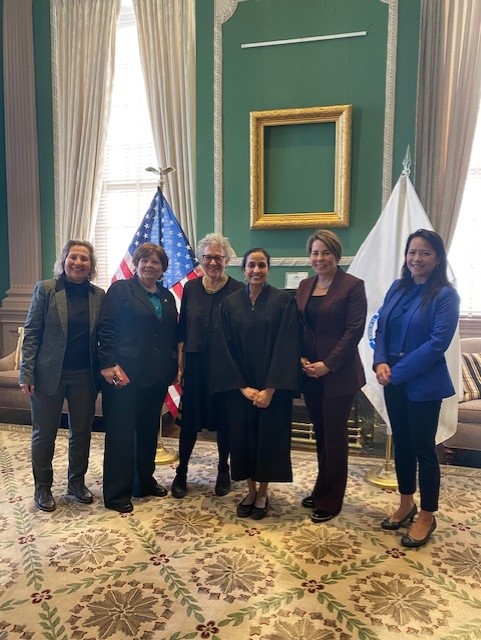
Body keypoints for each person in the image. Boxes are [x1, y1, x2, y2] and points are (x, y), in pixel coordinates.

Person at [374, 229, 459, 548]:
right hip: (391, 379)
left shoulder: (446, 295)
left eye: (424, 253)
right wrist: (380, 361)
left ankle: (427, 515)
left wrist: (395, 372)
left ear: (437, 258)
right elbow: (380, 327)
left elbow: (436, 344)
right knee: (403, 445)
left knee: (424, 450)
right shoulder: (397, 288)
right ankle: (406, 502)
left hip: (423, 385)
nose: (417, 258)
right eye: (412, 252)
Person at [211, 248, 300, 520]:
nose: (256, 270)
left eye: (261, 265)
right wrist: (242, 388)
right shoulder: (229, 304)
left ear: (268, 269)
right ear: (243, 269)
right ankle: (249, 490)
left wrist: (270, 389)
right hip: (241, 390)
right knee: (243, 442)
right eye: (251, 265)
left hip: (272, 390)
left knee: (268, 442)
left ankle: (263, 492)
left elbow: (287, 346)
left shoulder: (283, 302)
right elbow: (222, 348)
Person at [19, 240, 105, 512]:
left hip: (84, 376)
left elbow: (103, 336)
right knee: (44, 434)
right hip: (47, 375)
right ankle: (42, 487)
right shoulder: (46, 289)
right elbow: (32, 332)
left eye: (85, 259)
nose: (79, 263)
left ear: (91, 265)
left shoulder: (98, 295)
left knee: (81, 431)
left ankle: (76, 482)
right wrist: (27, 373)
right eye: (74, 257)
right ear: (64, 260)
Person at [98, 242, 178, 513]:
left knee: (147, 432)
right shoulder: (121, 290)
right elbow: (106, 328)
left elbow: (169, 336)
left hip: (155, 376)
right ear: (136, 263)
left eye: (155, 262)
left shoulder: (166, 296)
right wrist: (108, 364)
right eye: (144, 260)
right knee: (121, 434)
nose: (149, 265)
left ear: (162, 268)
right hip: (124, 375)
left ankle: (143, 481)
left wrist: (173, 366)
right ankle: (117, 493)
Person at [296, 230, 367, 523]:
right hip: (308, 373)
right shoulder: (304, 286)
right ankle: (322, 487)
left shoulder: (352, 286)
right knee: (321, 434)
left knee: (334, 436)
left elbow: (354, 332)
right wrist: (299, 357)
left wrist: (328, 364)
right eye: (315, 252)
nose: (319, 258)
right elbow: (298, 327)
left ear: (336, 255)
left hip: (338, 375)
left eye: (325, 252)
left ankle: (331, 499)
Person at [171, 233, 243, 498]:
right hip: (196, 365)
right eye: (208, 257)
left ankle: (223, 468)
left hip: (226, 367)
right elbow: (183, 327)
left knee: (225, 422)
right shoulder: (190, 288)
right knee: (189, 423)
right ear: (201, 259)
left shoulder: (238, 290)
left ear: (227, 260)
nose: (213, 262)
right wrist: (180, 362)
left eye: (218, 258)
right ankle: (182, 472)